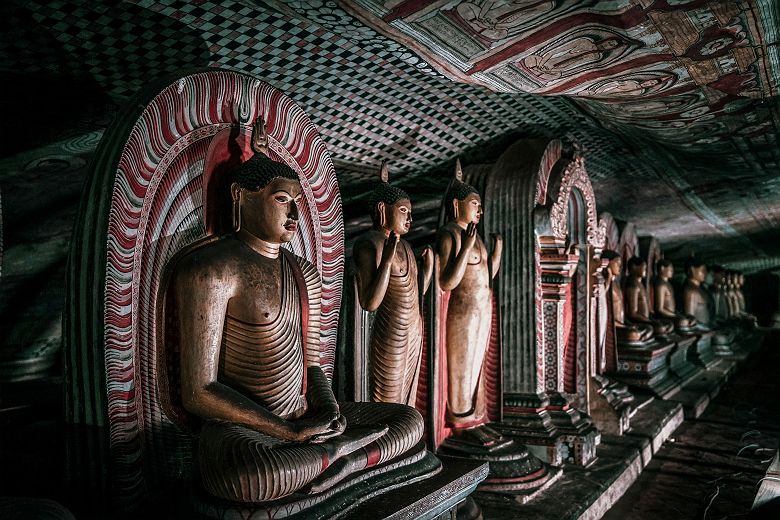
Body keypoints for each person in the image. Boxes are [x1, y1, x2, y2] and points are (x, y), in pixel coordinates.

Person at [168, 120, 423, 502]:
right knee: (248, 476)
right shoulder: (212, 269)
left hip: (304, 416)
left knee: (409, 421)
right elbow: (199, 392)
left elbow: (313, 365)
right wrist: (285, 433)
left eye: (298, 204)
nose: (294, 216)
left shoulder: (301, 270)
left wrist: (330, 410)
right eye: (282, 200)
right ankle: (342, 459)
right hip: (247, 430)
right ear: (241, 196)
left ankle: (336, 457)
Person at [353, 163, 432, 405]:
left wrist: (426, 271)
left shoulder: (407, 247)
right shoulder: (370, 243)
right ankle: (389, 441)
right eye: (404, 211)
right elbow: (369, 302)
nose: (410, 218)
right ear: (382, 209)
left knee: (408, 398)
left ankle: (405, 440)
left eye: (410, 212)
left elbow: (416, 296)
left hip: (413, 331)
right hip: (390, 332)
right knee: (388, 401)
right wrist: (386, 261)